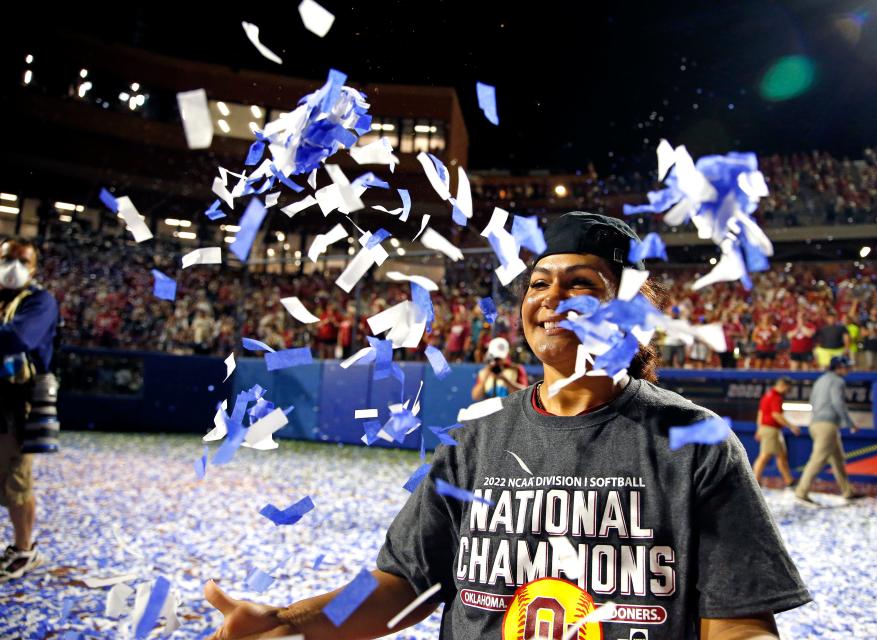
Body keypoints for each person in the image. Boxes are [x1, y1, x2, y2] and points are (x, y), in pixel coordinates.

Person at [204, 211, 810, 639]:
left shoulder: (695, 444)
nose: (552, 297)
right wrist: (286, 624)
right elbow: (400, 587)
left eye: (581, 284)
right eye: (540, 283)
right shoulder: (477, 441)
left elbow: (738, 621)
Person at [0, 237, 59, 582]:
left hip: (17, 404)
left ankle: (24, 550)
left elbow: (18, 339)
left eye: (23, 261)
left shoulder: (39, 301)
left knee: (16, 479)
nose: (14, 267)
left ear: (34, 268)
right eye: (8, 258)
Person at [794, 356, 861, 506]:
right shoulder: (838, 381)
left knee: (838, 459)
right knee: (817, 460)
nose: (849, 370)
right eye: (846, 367)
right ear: (838, 367)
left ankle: (847, 491)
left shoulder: (820, 380)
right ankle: (801, 492)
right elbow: (838, 403)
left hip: (816, 423)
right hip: (827, 425)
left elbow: (812, 401)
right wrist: (849, 423)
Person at [753, 378, 800, 487]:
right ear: (783, 385)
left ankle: (789, 481)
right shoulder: (776, 397)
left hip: (769, 429)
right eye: (789, 388)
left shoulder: (767, 395)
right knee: (765, 455)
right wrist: (792, 426)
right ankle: (754, 480)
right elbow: (776, 415)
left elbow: (760, 413)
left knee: (781, 456)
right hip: (771, 430)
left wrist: (759, 429)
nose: (789, 390)